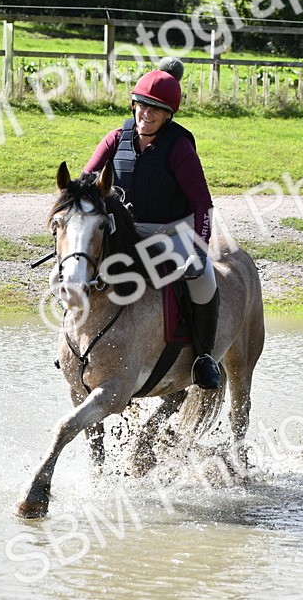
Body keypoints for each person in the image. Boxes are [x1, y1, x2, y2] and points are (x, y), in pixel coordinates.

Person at [83, 57, 221, 390]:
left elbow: (203, 204)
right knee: (78, 268)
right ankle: (79, 349)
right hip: (125, 232)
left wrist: (198, 250)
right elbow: (86, 180)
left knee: (202, 278)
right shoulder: (115, 139)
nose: (146, 114)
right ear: (133, 104)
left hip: (172, 233)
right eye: (142, 106)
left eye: (155, 110)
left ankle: (203, 357)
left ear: (168, 116)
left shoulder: (179, 148)